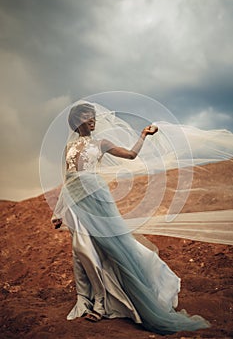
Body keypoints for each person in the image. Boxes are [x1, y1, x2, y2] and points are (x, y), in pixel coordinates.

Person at [51, 102, 210, 334]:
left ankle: (103, 303)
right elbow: (68, 179)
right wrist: (58, 210)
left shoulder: (101, 143)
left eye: (93, 115)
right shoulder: (69, 148)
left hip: (97, 196)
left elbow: (131, 155)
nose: (92, 119)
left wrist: (143, 135)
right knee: (81, 250)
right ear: (76, 121)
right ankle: (85, 300)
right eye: (87, 115)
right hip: (76, 200)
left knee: (113, 246)